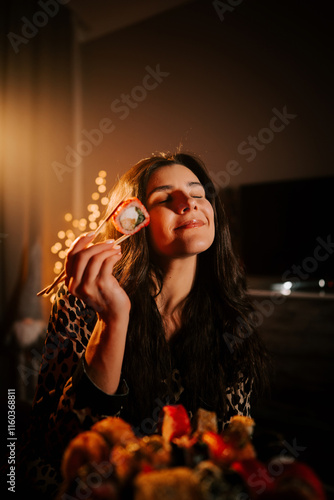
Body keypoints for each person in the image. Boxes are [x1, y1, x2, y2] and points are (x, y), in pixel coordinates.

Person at [19, 152, 270, 496]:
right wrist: (113, 322)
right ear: (134, 221)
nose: (188, 204)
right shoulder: (86, 300)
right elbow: (59, 448)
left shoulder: (232, 318)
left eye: (198, 194)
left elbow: (227, 454)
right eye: (165, 198)